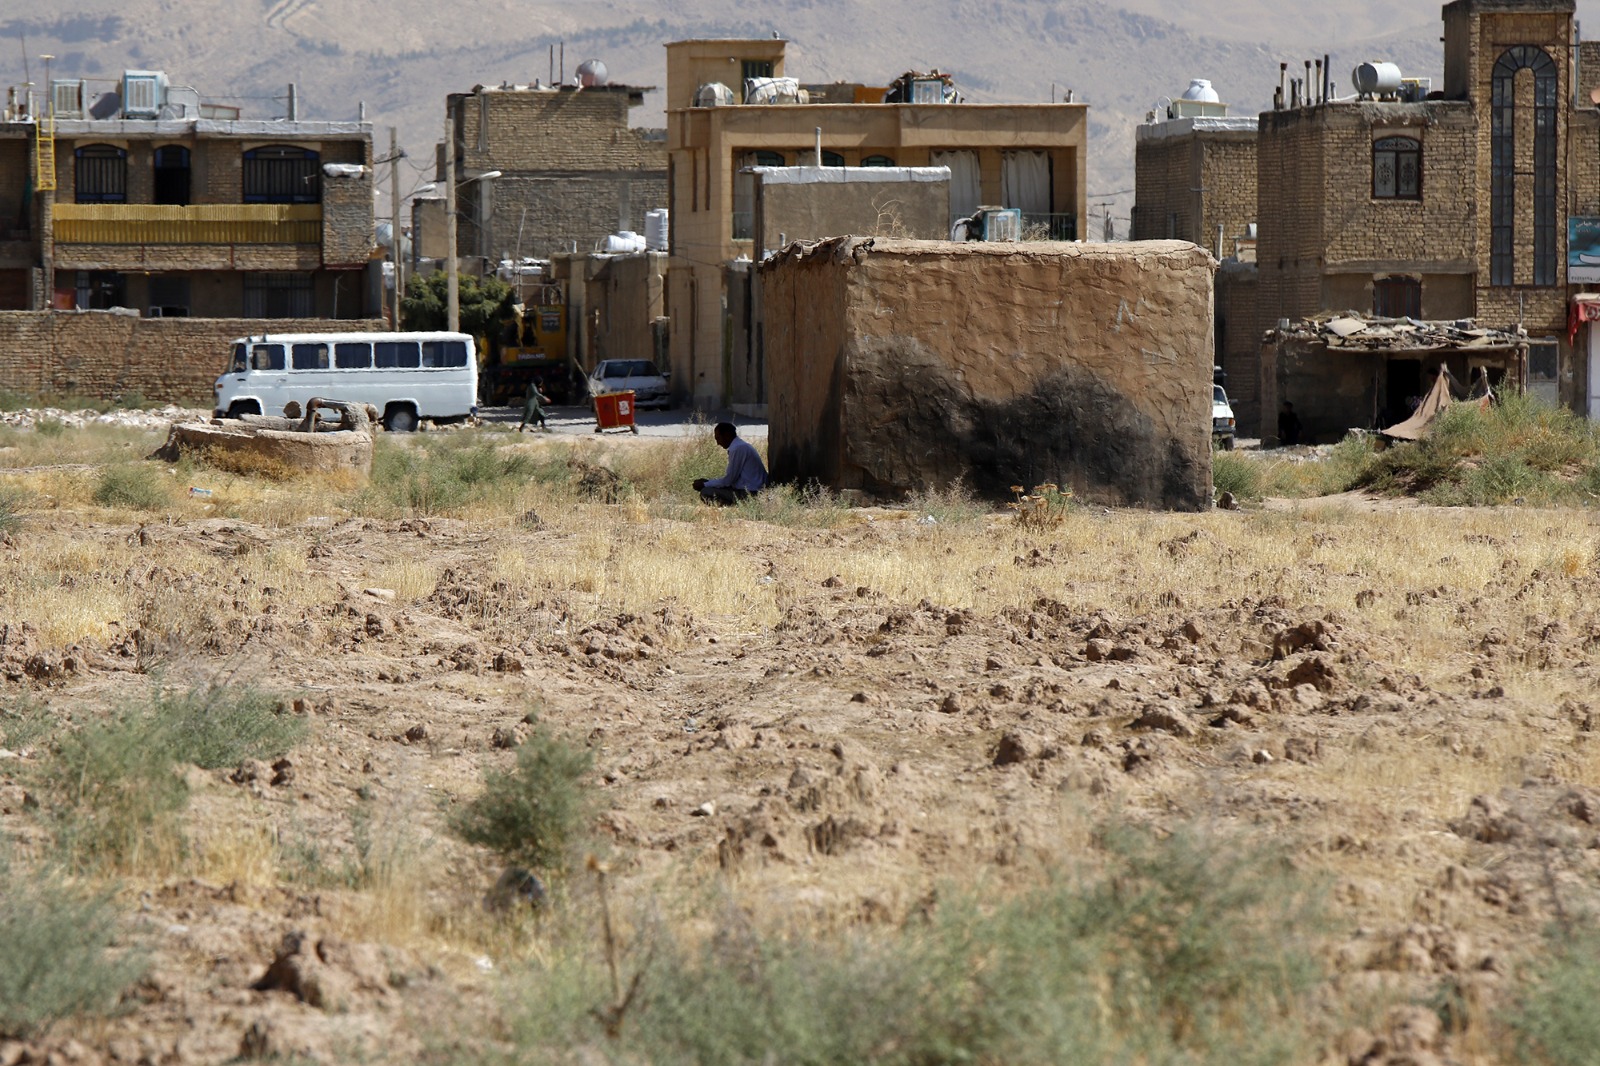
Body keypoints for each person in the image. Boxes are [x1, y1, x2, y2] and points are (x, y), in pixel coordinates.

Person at [693, 422, 767, 504]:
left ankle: (736, 505)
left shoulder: (737, 449)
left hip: (751, 493)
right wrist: (708, 482)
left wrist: (705, 484)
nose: (718, 443)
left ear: (727, 435)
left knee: (706, 492)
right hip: (750, 490)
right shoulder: (741, 446)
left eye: (718, 438)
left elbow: (728, 480)